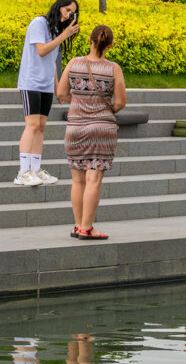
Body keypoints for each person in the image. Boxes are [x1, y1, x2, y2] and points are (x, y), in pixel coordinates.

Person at [56, 24, 126, 240]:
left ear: (90, 40)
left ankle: (78, 226)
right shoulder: (113, 69)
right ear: (110, 45)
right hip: (101, 130)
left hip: (75, 128)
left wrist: (77, 102)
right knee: (94, 180)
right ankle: (88, 228)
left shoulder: (74, 63)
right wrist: (104, 110)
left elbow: (60, 93)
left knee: (78, 180)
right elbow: (121, 102)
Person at [14, 0, 79, 186]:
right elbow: (41, 50)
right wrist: (64, 35)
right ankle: (23, 172)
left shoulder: (55, 30)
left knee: (41, 127)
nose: (69, 15)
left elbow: (52, 62)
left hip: (45, 85)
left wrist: (58, 88)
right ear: (59, 6)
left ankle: (36, 169)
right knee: (32, 125)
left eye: (72, 13)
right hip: (31, 83)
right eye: (68, 10)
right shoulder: (39, 23)